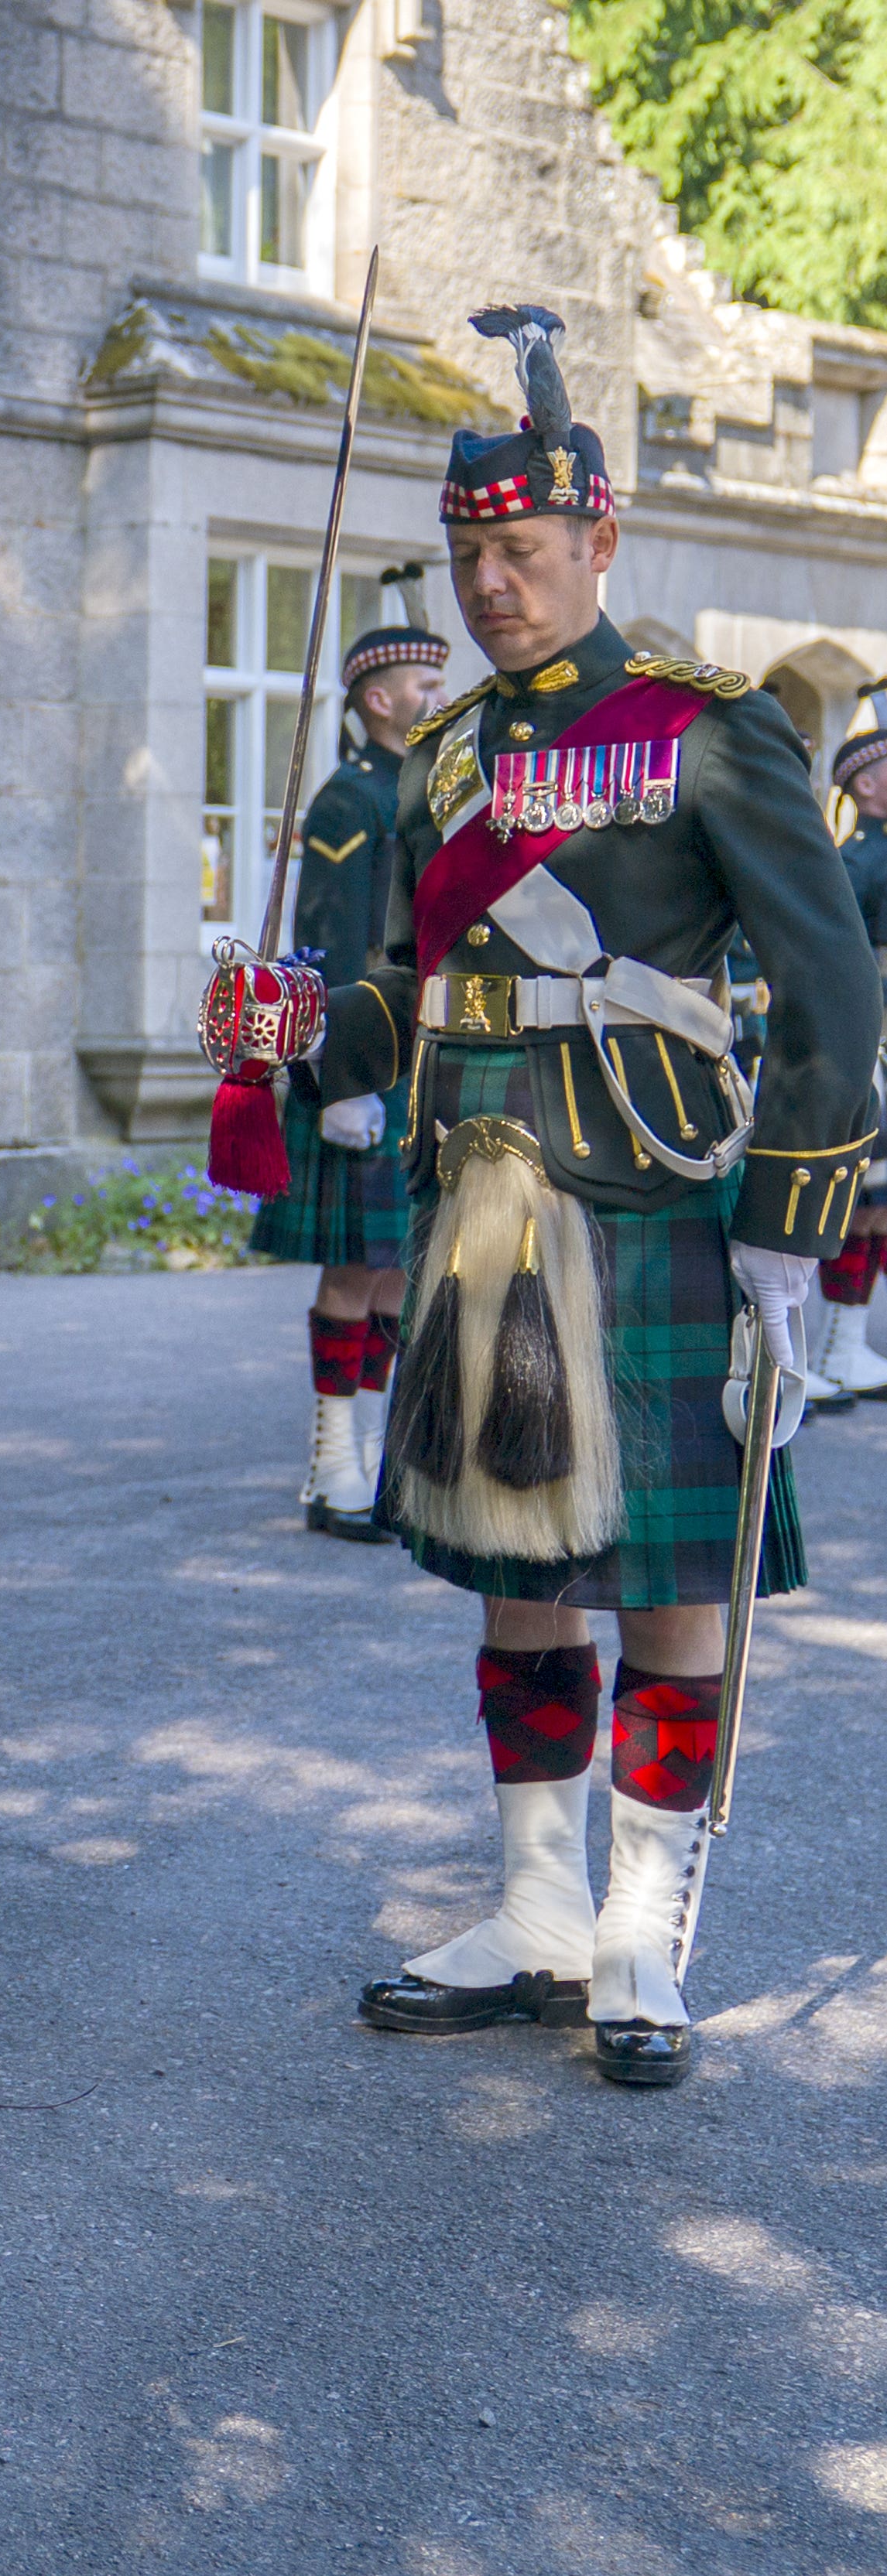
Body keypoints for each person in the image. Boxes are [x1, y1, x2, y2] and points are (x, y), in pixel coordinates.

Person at [320, 306, 878, 2088]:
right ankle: (532, 1912)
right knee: (515, 1576)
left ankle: (636, 1936)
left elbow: (830, 987)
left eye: (520, 548)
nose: (489, 582)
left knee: (657, 1588)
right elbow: (412, 993)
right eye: (467, 552)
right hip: (483, 1217)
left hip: (651, 1212)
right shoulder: (439, 759)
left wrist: (788, 1227)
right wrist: (308, 1034)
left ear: (594, 540)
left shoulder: (710, 737)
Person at [251, 596, 448, 1538]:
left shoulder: (420, 787)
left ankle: (374, 1452)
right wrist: (336, 1074)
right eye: (421, 680)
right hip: (360, 1061)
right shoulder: (347, 798)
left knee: (400, 1271)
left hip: (417, 1058)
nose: (434, 693)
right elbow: (328, 938)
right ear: (375, 697)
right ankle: (332, 1461)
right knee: (350, 1272)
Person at [811, 720, 887, 1397]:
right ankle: (835, 1352)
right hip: (874, 1042)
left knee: (878, 1204)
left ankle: (846, 1350)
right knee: (862, 1203)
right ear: (864, 784)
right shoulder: (859, 858)